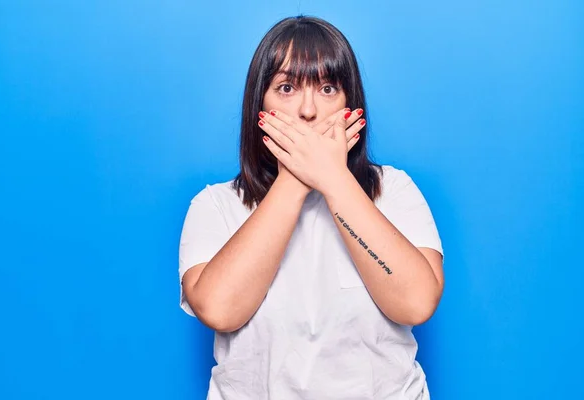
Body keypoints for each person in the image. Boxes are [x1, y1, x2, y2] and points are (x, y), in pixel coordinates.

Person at [178, 15, 444, 400]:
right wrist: (297, 177)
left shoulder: (394, 191)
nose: (307, 110)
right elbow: (219, 309)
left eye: (327, 88)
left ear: (350, 104)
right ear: (259, 107)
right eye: (286, 88)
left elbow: (417, 302)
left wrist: (334, 180)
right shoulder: (215, 205)